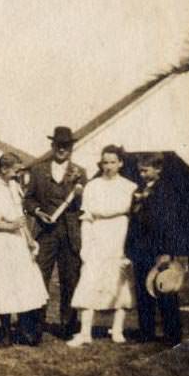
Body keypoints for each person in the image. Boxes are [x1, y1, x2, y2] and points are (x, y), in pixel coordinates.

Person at [0, 152, 48, 347]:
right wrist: (10, 226)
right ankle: (5, 332)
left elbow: (20, 217)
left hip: (17, 242)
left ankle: (24, 331)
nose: (18, 173)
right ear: (4, 169)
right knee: (3, 286)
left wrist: (29, 238)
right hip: (0, 243)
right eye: (15, 169)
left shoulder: (15, 187)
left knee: (22, 284)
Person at [68, 145, 137, 347]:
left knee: (119, 280)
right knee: (90, 279)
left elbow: (129, 215)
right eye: (105, 162)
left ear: (121, 163)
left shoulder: (129, 187)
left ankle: (117, 330)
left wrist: (128, 247)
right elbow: (87, 217)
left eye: (113, 162)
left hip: (119, 236)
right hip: (97, 236)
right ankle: (85, 332)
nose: (108, 166)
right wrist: (86, 245)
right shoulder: (92, 186)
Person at [23, 126, 87, 340]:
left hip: (70, 233)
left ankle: (68, 328)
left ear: (71, 148)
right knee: (39, 279)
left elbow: (83, 204)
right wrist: (39, 212)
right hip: (45, 233)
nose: (62, 149)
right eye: (58, 145)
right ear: (52, 146)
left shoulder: (80, 172)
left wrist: (78, 194)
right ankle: (34, 329)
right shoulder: (38, 170)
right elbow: (28, 199)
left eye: (66, 145)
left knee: (70, 280)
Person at [125, 152, 189, 346]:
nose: (142, 174)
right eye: (140, 171)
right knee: (143, 290)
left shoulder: (166, 192)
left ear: (158, 169)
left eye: (145, 170)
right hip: (141, 249)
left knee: (164, 289)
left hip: (159, 249)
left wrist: (166, 252)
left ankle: (172, 333)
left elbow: (170, 224)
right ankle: (146, 331)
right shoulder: (140, 191)